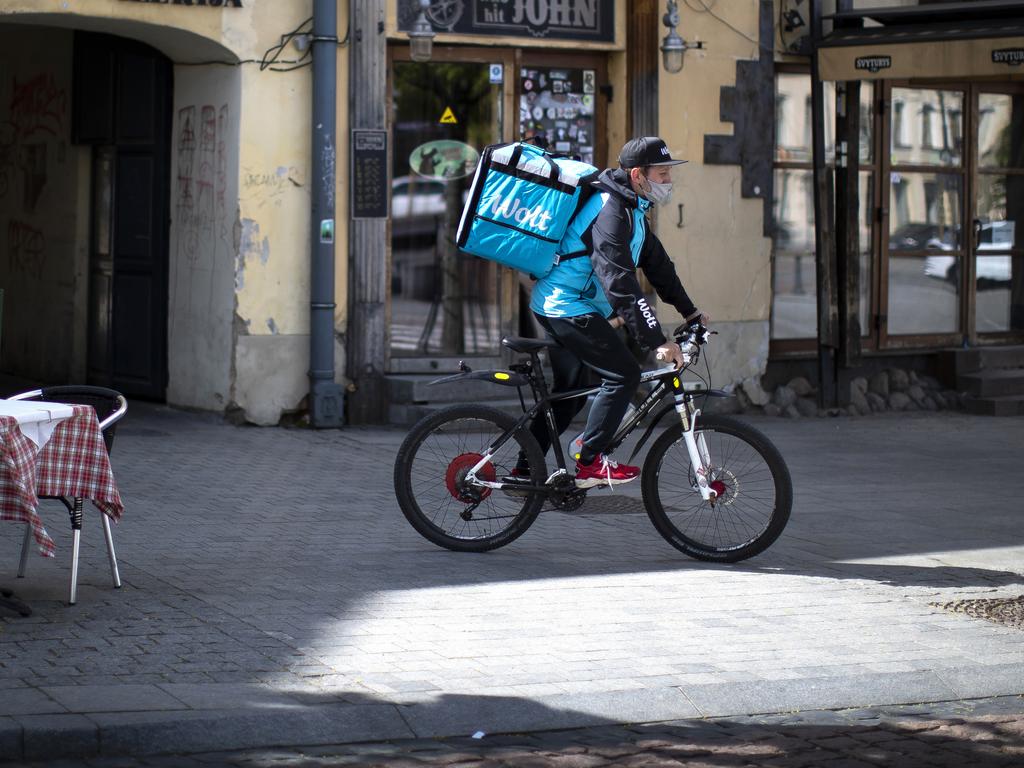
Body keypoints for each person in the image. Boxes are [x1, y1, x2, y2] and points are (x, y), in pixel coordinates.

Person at [519, 136, 708, 489]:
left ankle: (523, 467)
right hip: (566, 306)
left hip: (572, 305)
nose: (669, 181)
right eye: (663, 173)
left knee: (573, 390)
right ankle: (589, 461)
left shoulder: (632, 209)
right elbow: (619, 280)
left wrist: (690, 312)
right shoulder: (610, 211)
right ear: (638, 175)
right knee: (624, 375)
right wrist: (656, 341)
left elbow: (658, 267)